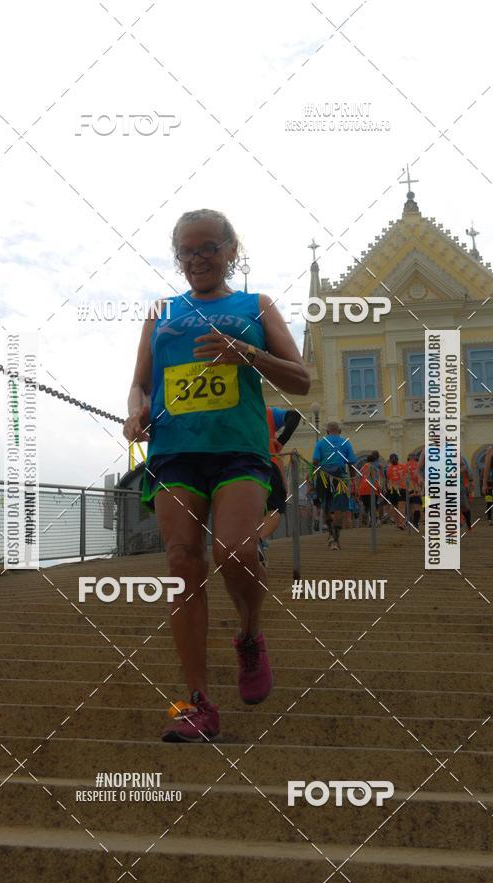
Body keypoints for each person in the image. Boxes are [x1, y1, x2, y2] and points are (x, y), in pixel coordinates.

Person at [123, 208, 310, 742]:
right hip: (175, 451)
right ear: (177, 257)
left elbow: (300, 379)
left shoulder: (256, 305)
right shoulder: (161, 312)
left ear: (232, 250)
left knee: (236, 552)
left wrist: (245, 353)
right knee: (183, 563)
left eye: (209, 248)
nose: (198, 259)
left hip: (239, 450)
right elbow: (138, 384)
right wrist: (135, 411)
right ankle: (198, 703)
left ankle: (249, 637)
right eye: (187, 250)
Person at [259, 406, 301, 563]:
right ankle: (259, 540)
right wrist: (281, 441)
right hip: (268, 462)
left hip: (235, 467)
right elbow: (295, 416)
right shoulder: (267, 411)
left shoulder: (227, 411)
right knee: (274, 508)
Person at [311, 422, 357, 550]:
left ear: (327, 432)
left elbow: (315, 461)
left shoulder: (320, 443)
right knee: (340, 508)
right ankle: (336, 540)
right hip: (339, 477)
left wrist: (313, 479)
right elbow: (352, 463)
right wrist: (352, 480)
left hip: (323, 476)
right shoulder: (345, 443)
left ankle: (331, 534)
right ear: (340, 431)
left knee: (326, 504)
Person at [358, 451, 382, 527]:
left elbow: (358, 479)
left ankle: (363, 521)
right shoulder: (375, 468)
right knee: (373, 506)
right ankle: (373, 522)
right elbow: (377, 479)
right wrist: (380, 489)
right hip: (372, 488)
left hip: (363, 489)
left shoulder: (362, 467)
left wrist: (358, 490)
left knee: (365, 505)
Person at [385, 453, 407, 530]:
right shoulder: (403, 466)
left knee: (396, 507)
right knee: (400, 507)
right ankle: (401, 523)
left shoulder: (388, 469)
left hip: (395, 489)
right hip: (400, 489)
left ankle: (399, 523)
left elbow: (388, 481)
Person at [405, 453, 423, 529]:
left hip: (408, 488)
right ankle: (416, 523)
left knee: (410, 507)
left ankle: (409, 522)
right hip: (419, 488)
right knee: (419, 507)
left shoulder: (405, 465)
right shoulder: (420, 466)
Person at [459, 455, 474, 531]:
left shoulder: (460, 457)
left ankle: (468, 522)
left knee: (464, 506)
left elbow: (466, 468)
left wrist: (471, 481)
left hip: (461, 485)